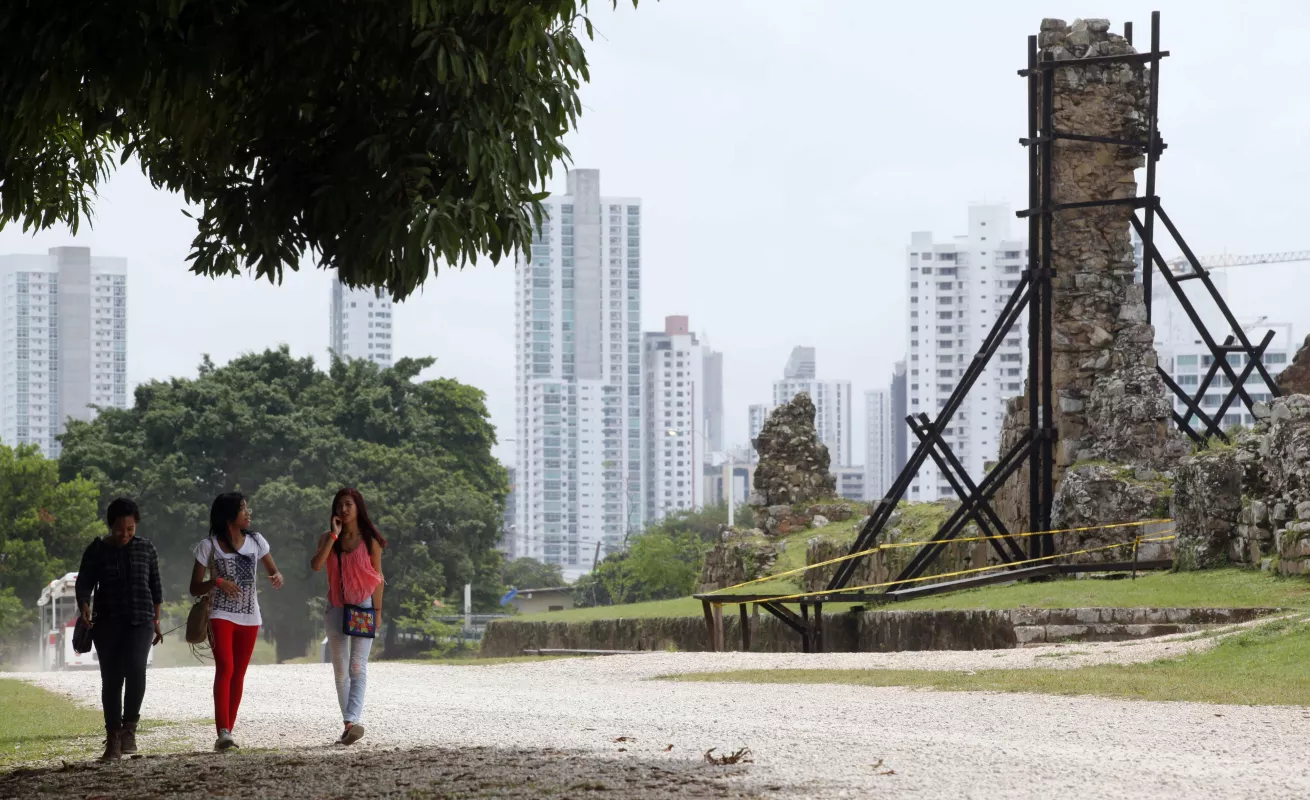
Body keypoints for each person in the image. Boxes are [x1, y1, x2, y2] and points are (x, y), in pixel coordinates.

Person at [190, 492, 283, 751]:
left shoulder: (257, 542)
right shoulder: (208, 546)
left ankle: (228, 731)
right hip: (220, 613)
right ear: (230, 516)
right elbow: (195, 587)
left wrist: (276, 577)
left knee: (239, 673)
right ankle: (223, 731)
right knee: (226, 668)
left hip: (250, 616)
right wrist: (218, 581)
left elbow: (272, 570)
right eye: (244, 509)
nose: (249, 513)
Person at [75, 498, 164, 761]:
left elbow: (156, 588)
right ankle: (112, 739)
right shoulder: (97, 549)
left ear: (136, 525)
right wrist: (84, 606)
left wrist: (157, 622)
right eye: (119, 529)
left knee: (136, 668)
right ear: (110, 525)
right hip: (108, 622)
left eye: (130, 529)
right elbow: (84, 583)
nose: (124, 534)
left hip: (141, 620)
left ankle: (129, 730)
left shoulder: (146, 549)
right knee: (112, 679)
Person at [310, 487, 385, 745]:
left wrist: (378, 611)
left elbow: (378, 579)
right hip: (336, 608)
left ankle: (353, 718)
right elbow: (316, 565)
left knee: (357, 666)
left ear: (358, 508)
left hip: (364, 608)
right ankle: (349, 724)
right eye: (340, 505)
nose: (344, 509)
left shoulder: (371, 540)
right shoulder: (328, 538)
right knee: (340, 669)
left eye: (348, 504)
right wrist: (333, 535)